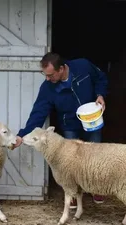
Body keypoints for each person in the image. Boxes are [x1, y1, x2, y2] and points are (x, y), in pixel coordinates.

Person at [12, 52, 109, 209]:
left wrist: (100, 95)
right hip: (70, 124)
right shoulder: (48, 88)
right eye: (45, 75)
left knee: (95, 154)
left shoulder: (83, 66)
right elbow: (38, 113)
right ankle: (73, 193)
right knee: (70, 160)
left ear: (62, 68)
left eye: (50, 75)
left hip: (91, 119)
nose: (48, 79)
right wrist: (22, 135)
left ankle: (96, 187)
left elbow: (101, 78)